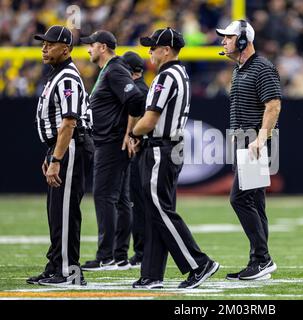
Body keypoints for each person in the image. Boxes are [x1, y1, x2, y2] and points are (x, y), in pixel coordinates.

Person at [129, 27, 219, 289]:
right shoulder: (180, 73)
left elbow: (150, 119)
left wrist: (133, 133)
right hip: (167, 146)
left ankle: (199, 263)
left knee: (159, 209)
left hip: (161, 147)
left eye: (153, 47)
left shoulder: (165, 76)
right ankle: (152, 273)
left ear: (166, 50)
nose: (150, 52)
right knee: (156, 210)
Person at [27, 25, 93, 286]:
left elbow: (69, 122)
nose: (44, 48)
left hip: (71, 146)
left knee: (65, 211)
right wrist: (51, 153)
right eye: (43, 43)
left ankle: (68, 271)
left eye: (50, 44)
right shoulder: (58, 74)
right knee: (56, 211)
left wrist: (57, 158)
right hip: (62, 146)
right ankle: (56, 264)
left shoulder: (67, 77)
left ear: (65, 48)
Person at [216, 20, 282, 280]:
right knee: (254, 202)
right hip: (246, 141)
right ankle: (258, 260)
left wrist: (260, 138)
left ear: (243, 40)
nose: (223, 41)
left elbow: (274, 105)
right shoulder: (240, 69)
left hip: (255, 142)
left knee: (239, 199)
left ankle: (263, 259)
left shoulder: (262, 68)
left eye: (228, 37)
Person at [79, 31, 145, 271]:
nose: (88, 49)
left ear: (103, 47)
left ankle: (106, 255)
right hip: (111, 140)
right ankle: (117, 255)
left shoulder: (115, 69)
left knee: (105, 196)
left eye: (92, 45)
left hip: (111, 142)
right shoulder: (110, 69)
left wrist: (130, 132)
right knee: (119, 199)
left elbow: (136, 99)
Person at [121, 51, 149, 268]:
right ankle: (141, 250)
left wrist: (132, 135)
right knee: (136, 203)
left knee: (136, 204)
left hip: (139, 151)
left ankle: (141, 252)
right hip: (142, 151)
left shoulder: (137, 91)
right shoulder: (143, 88)